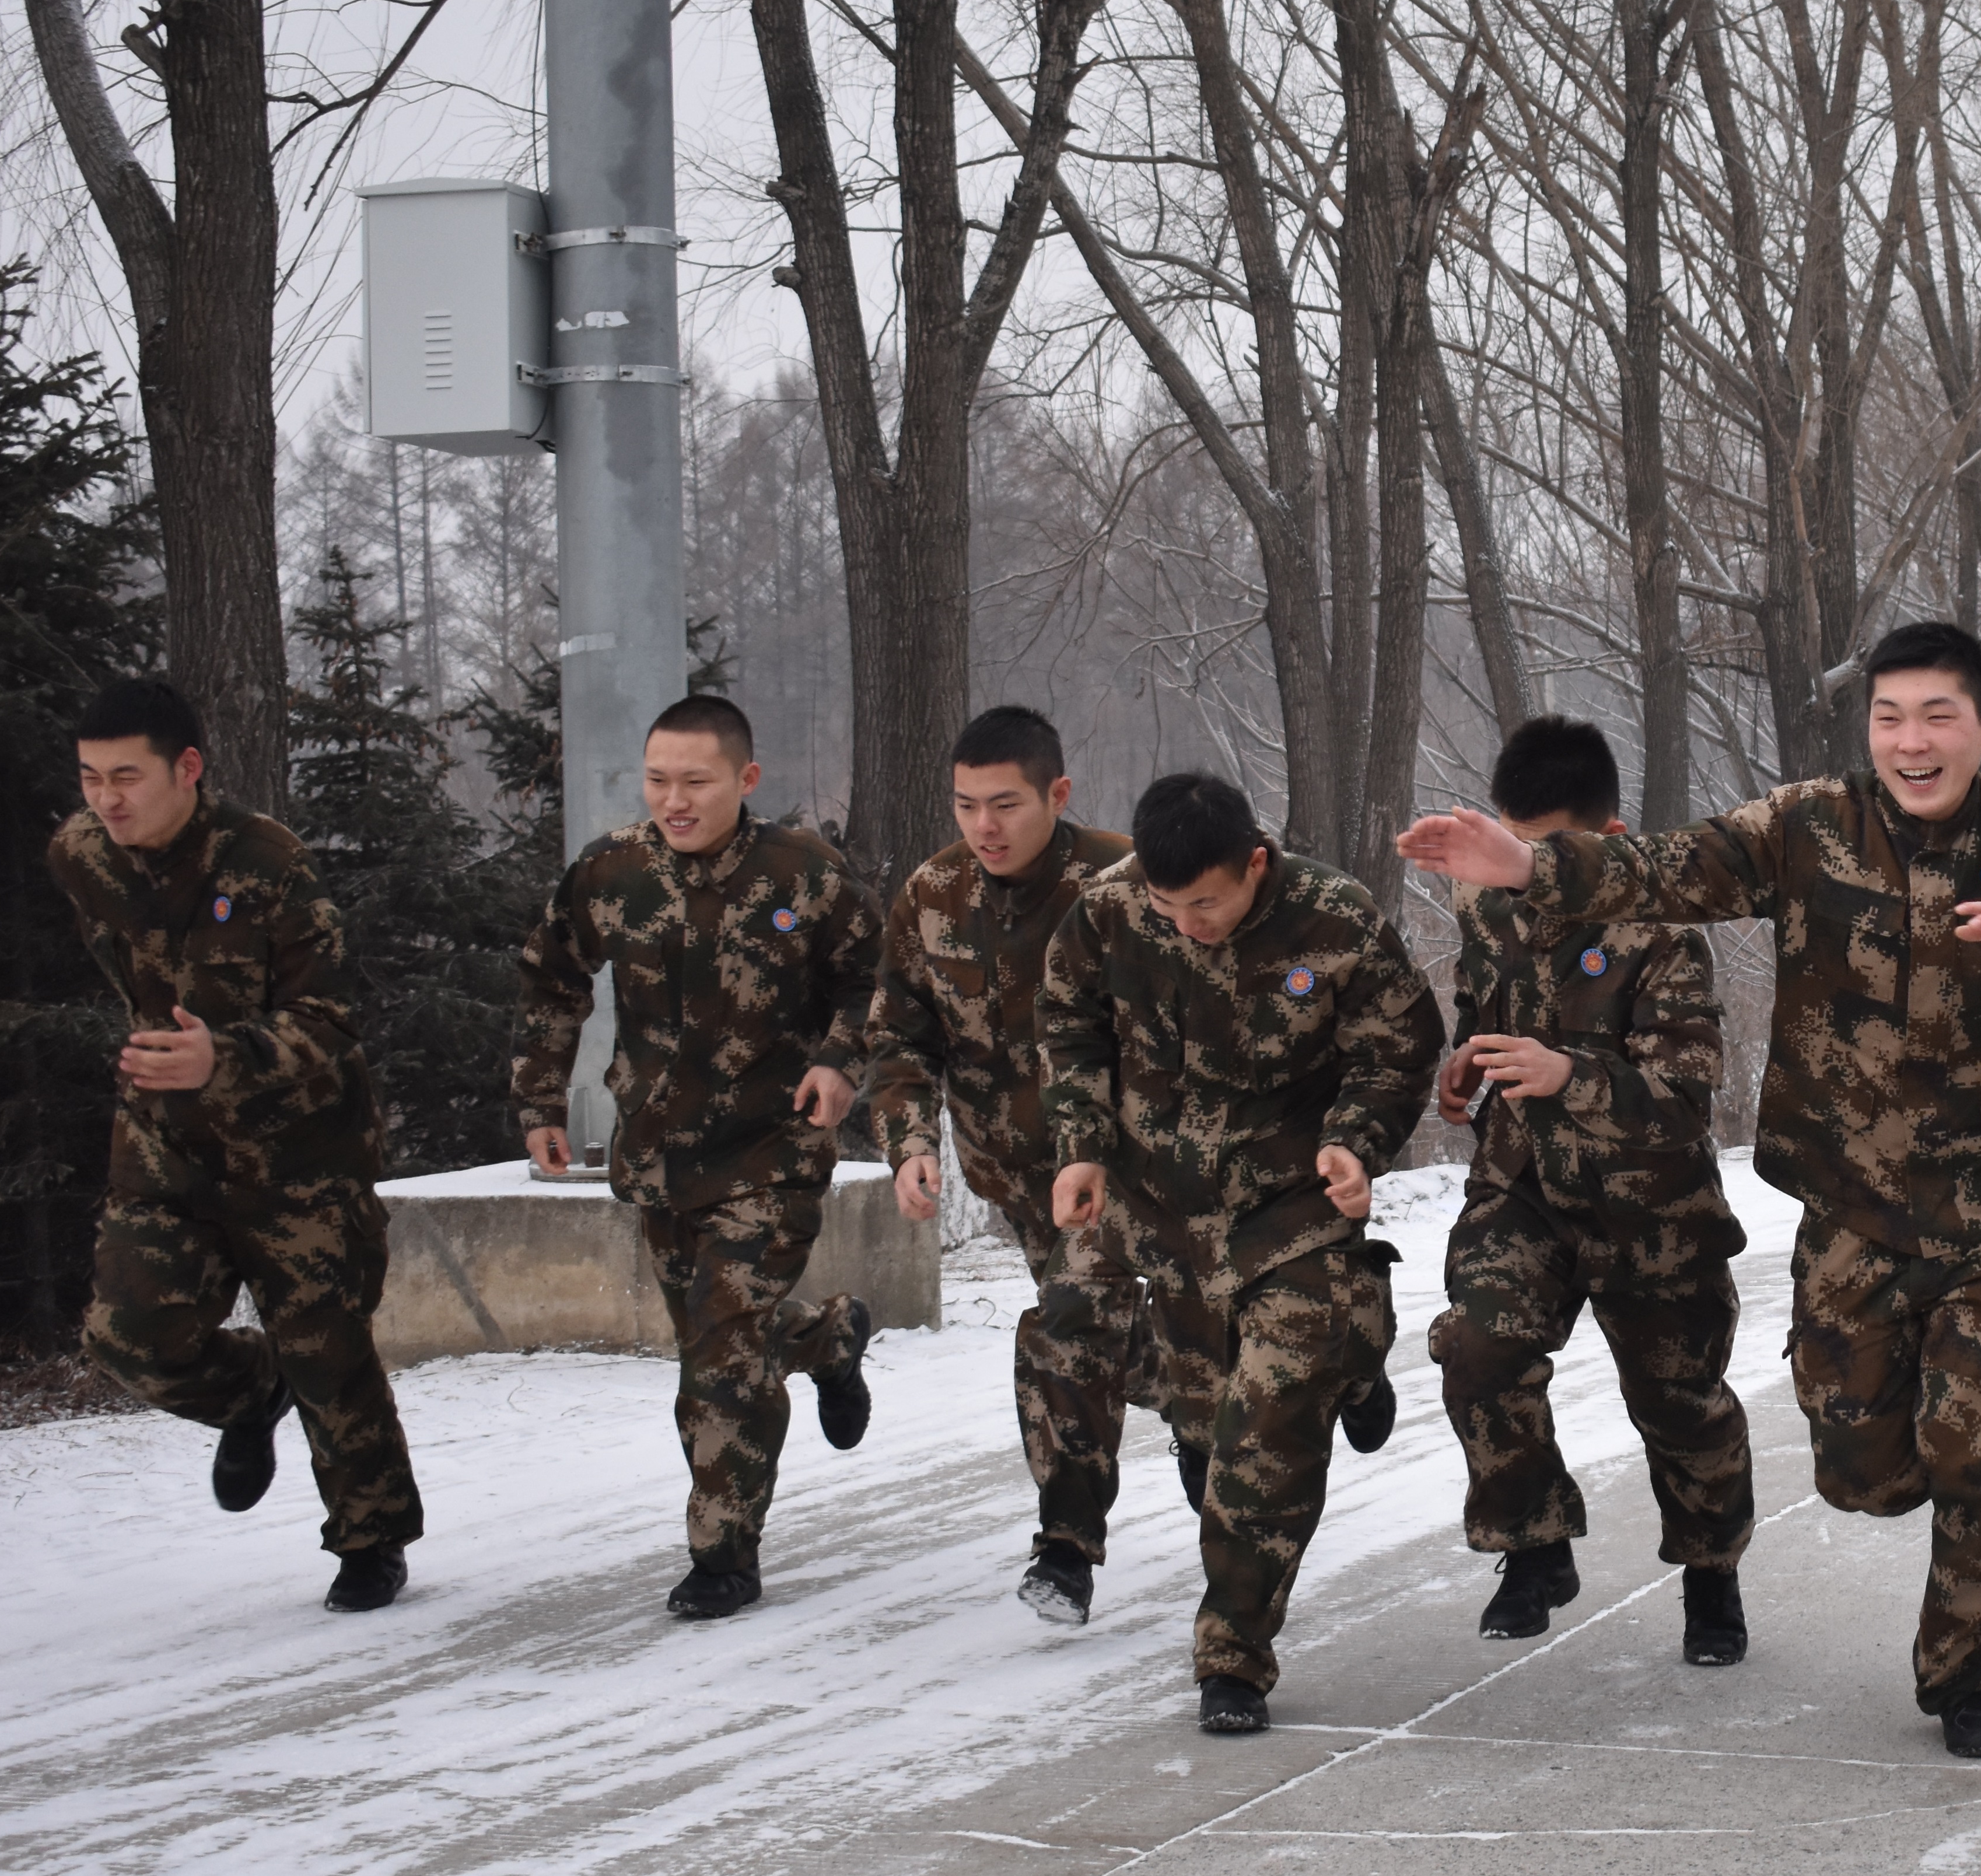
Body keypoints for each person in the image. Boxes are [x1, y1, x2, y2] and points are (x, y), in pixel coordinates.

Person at [1400, 623, 1981, 1758]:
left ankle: (1964, 1675)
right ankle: (1896, 1458)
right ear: (1869, 730)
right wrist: (1525, 866)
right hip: (1851, 1212)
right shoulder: (1809, 828)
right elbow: (1669, 867)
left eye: (1937, 717)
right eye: (1890, 719)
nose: (1912, 742)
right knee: (1862, 1473)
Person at [1042, 772, 1444, 1735]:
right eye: (1168, 906)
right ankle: (1354, 1346)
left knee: (1265, 1430)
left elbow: (1397, 1047)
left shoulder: (1333, 920)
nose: (1188, 924)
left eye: (1208, 904)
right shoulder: (1105, 917)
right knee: (1201, 1428)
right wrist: (1083, 1142)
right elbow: (1069, 1027)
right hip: (1165, 1219)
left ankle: (1232, 1658)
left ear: (1254, 865)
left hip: (1290, 1211)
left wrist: (1356, 1139)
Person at [48, 677, 424, 1611]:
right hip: (166, 1144)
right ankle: (250, 1397)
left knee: (327, 1349)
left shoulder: (267, 864)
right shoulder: (79, 854)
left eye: (127, 776)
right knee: (128, 1335)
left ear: (188, 769)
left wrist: (227, 1052)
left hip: (301, 1150)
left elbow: (334, 1020)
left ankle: (370, 1542)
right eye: (91, 778)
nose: (108, 799)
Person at [514, 695, 883, 1620]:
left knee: (718, 1360)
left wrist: (840, 1064)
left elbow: (874, 980)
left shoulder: (806, 875)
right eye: (658, 781)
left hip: (773, 1151)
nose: (675, 801)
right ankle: (829, 1339)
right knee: (721, 1331)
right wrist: (538, 1100)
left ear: (745, 781)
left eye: (696, 782)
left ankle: (723, 1555)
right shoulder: (612, 872)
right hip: (660, 1156)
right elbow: (551, 977)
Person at [1430, 716, 1755, 1661]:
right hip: (1522, 1187)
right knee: (1478, 1346)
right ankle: (1532, 1545)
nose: (1514, 866)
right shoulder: (1482, 910)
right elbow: (1476, 1011)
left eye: (1540, 850)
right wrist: (1465, 1067)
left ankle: (1711, 1578)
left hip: (1651, 1207)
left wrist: (1568, 1073)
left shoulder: (1660, 937)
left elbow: (1686, 1103)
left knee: (1679, 1403)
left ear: (1606, 845)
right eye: (1505, 842)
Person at [868, 706, 1191, 1626]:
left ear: (1058, 794)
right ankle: (1194, 1393)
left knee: (1067, 1327)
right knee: (1106, 1341)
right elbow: (897, 1038)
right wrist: (910, 1144)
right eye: (966, 805)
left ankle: (1064, 1550)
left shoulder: (1127, 883)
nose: (985, 827)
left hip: (1128, 1171)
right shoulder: (933, 896)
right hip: (1015, 1179)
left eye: (1004, 804)